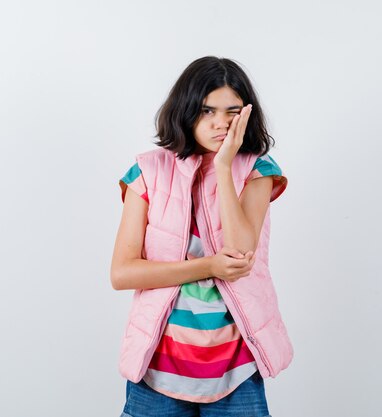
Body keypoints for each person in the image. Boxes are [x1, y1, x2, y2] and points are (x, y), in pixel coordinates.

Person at [110, 56, 293, 417]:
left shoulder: (257, 170)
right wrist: (209, 266)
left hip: (235, 371)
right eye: (207, 111)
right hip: (157, 370)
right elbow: (122, 273)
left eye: (232, 111)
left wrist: (224, 166)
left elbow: (240, 254)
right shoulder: (147, 171)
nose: (221, 123)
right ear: (186, 109)